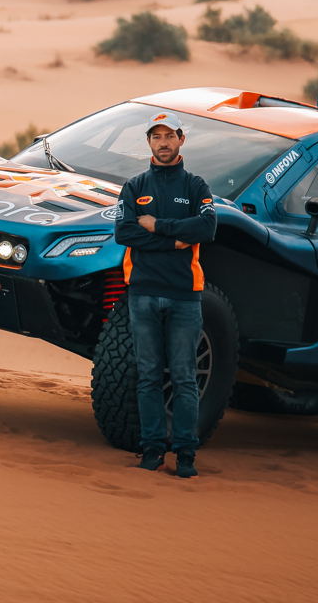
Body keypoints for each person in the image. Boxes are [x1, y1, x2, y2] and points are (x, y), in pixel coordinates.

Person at [113, 112, 218, 478]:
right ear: (148, 142)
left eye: (169, 135)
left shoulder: (196, 186)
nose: (163, 142)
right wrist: (175, 240)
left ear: (181, 140)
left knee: (185, 378)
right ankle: (152, 451)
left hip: (185, 295)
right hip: (142, 292)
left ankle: (186, 455)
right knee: (148, 376)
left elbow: (207, 227)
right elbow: (124, 233)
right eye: (156, 136)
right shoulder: (134, 186)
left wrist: (160, 227)